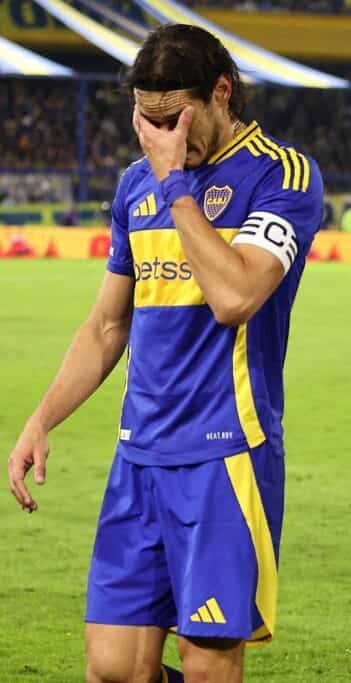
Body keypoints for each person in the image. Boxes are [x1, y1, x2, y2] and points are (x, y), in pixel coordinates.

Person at [6, 24, 323, 683]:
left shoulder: (281, 176)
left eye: (174, 119)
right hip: (139, 455)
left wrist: (176, 184)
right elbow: (106, 325)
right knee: (113, 668)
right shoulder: (136, 186)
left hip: (225, 455)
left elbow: (235, 296)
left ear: (221, 92)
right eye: (146, 121)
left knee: (207, 666)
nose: (159, 138)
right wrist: (41, 418)